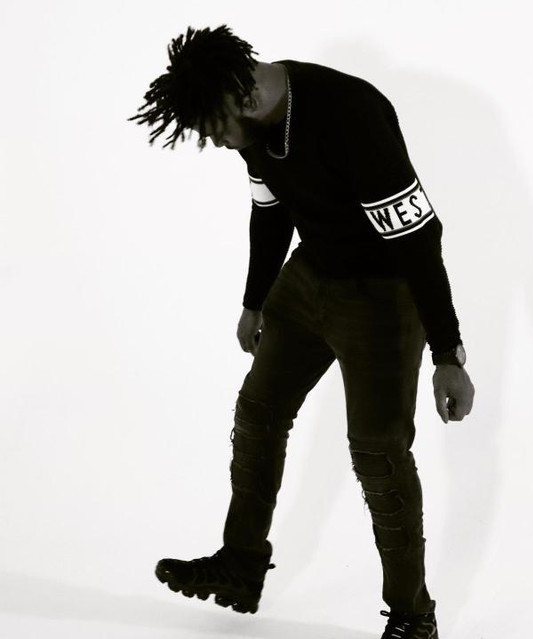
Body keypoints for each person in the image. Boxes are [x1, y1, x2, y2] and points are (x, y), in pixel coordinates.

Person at [129, 24, 475, 639]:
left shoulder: (351, 114)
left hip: (383, 297)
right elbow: (270, 210)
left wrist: (447, 352)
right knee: (257, 414)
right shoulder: (253, 123)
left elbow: (419, 236)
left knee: (378, 455)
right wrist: (255, 301)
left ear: (243, 96)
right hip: (310, 278)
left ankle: (413, 616)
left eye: (215, 129)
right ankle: (241, 565)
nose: (217, 142)